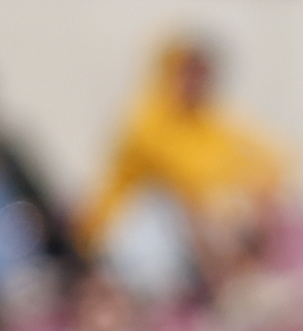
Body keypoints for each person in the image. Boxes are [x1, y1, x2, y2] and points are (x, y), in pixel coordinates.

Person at [75, 37, 291, 284]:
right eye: (187, 74)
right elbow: (178, 179)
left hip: (196, 235)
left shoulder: (217, 122)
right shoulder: (145, 119)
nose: (195, 84)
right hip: (128, 232)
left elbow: (276, 161)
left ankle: (239, 282)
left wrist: (256, 200)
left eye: (202, 75)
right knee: (175, 203)